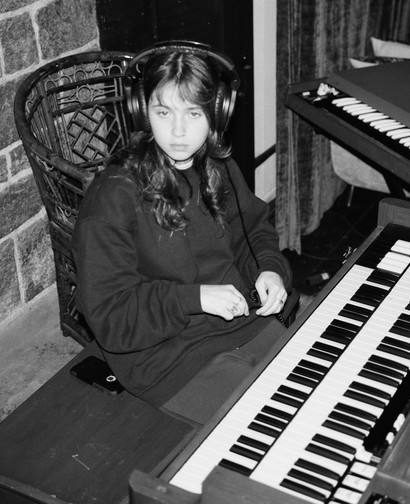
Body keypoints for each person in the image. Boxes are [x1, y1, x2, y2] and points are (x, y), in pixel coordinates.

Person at [71, 43, 295, 424]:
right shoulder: (112, 197)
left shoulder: (217, 166)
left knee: (318, 389)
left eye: (193, 113)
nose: (178, 131)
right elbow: (111, 318)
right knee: (272, 425)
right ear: (143, 111)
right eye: (163, 112)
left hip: (241, 323)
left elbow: (252, 230)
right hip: (168, 360)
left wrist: (270, 269)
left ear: (217, 113)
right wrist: (195, 298)